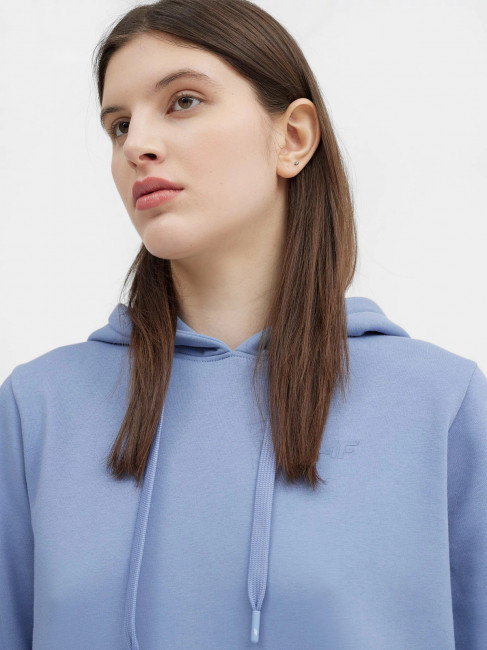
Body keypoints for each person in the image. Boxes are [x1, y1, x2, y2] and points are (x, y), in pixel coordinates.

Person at [1, 0, 486, 648]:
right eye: (119, 125)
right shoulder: (37, 409)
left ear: (293, 138)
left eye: (182, 101)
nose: (137, 145)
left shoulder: (440, 405)